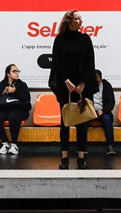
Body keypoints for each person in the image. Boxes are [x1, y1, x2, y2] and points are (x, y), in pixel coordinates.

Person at [49, 9, 98, 170]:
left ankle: (81, 157)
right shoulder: (59, 40)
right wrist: (66, 81)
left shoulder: (85, 39)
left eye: (80, 18)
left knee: (82, 124)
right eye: (77, 18)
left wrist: (83, 83)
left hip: (82, 86)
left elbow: (90, 62)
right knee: (65, 122)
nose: (80, 21)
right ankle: (64, 157)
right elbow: (57, 63)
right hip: (65, 87)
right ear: (69, 21)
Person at [0, 64, 31, 155]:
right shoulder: (2, 84)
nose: (17, 73)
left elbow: (27, 99)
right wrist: (3, 94)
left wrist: (15, 91)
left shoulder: (22, 84)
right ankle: (5, 143)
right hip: (5, 109)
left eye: (17, 71)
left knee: (13, 116)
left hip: (20, 109)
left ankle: (14, 144)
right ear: (8, 74)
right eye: (14, 71)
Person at [93, 69, 116, 155]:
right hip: (90, 111)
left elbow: (111, 102)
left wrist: (103, 111)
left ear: (101, 79)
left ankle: (110, 146)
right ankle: (83, 148)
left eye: (98, 82)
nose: (96, 84)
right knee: (82, 121)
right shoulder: (88, 86)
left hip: (103, 111)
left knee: (107, 119)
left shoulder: (106, 86)